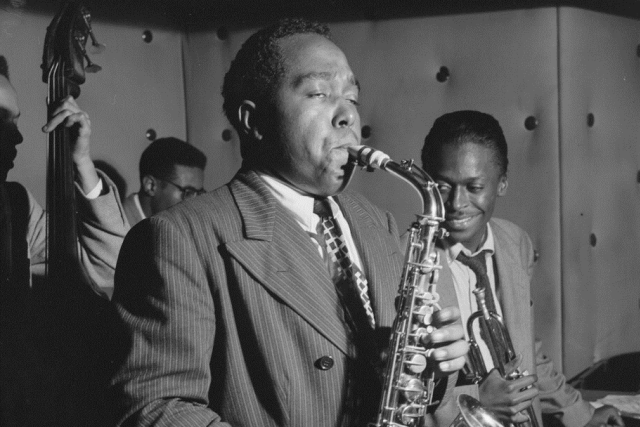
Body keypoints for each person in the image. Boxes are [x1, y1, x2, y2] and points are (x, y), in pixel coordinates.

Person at [109, 19, 470, 427]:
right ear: (253, 120)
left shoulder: (379, 223)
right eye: (319, 93)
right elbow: (155, 409)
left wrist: (431, 370)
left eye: (352, 97)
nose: (347, 115)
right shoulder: (177, 237)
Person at [420, 110, 624, 427]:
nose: (456, 204)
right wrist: (476, 398)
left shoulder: (514, 242)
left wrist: (581, 415)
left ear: (501, 184)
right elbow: (398, 392)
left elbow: (524, 353)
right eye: (444, 186)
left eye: (474, 187)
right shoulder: (402, 259)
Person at [0, 55, 129, 425]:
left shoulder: (15, 205)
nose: (19, 135)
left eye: (18, 120)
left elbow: (105, 269)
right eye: (0, 119)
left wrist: (81, 163)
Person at [122, 137, 207, 226]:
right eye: (188, 193)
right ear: (150, 186)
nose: (195, 206)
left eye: (199, 194)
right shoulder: (117, 231)